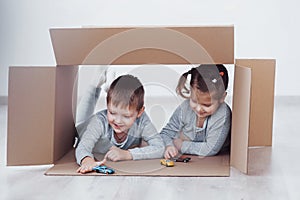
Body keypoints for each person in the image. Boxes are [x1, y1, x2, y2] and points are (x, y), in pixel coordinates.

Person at [75, 69, 164, 174]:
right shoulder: (100, 121)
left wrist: (127, 154)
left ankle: (112, 89)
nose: (118, 121)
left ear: (140, 112)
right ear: (107, 107)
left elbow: (159, 147)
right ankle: (96, 84)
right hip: (83, 130)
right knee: (78, 124)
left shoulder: (142, 120)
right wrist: (87, 161)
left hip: (112, 139)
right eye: (112, 113)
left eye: (126, 116)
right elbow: (83, 147)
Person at [160, 64, 231, 159]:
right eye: (194, 101)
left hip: (213, 155)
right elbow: (166, 133)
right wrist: (168, 146)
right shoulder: (185, 108)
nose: (198, 109)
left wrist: (181, 145)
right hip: (186, 139)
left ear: (222, 98)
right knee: (150, 141)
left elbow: (210, 149)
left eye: (206, 105)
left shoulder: (222, 114)